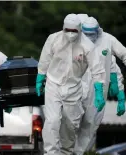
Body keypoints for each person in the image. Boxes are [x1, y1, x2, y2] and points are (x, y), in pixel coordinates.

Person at [36, 13, 106, 155]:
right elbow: (44, 60)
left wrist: (99, 92)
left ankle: (66, 152)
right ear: (63, 28)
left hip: (74, 89)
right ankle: (50, 152)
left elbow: (97, 70)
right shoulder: (53, 39)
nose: (70, 34)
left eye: (74, 31)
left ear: (79, 30)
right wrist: (40, 78)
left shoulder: (88, 46)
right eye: (67, 30)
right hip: (53, 85)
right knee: (53, 121)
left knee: (70, 127)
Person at [74, 16, 126, 154]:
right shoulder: (75, 42)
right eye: (86, 34)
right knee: (71, 125)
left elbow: (121, 59)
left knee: (91, 128)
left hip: (98, 95)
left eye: (92, 34)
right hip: (78, 90)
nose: (89, 38)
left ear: (98, 31)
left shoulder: (107, 40)